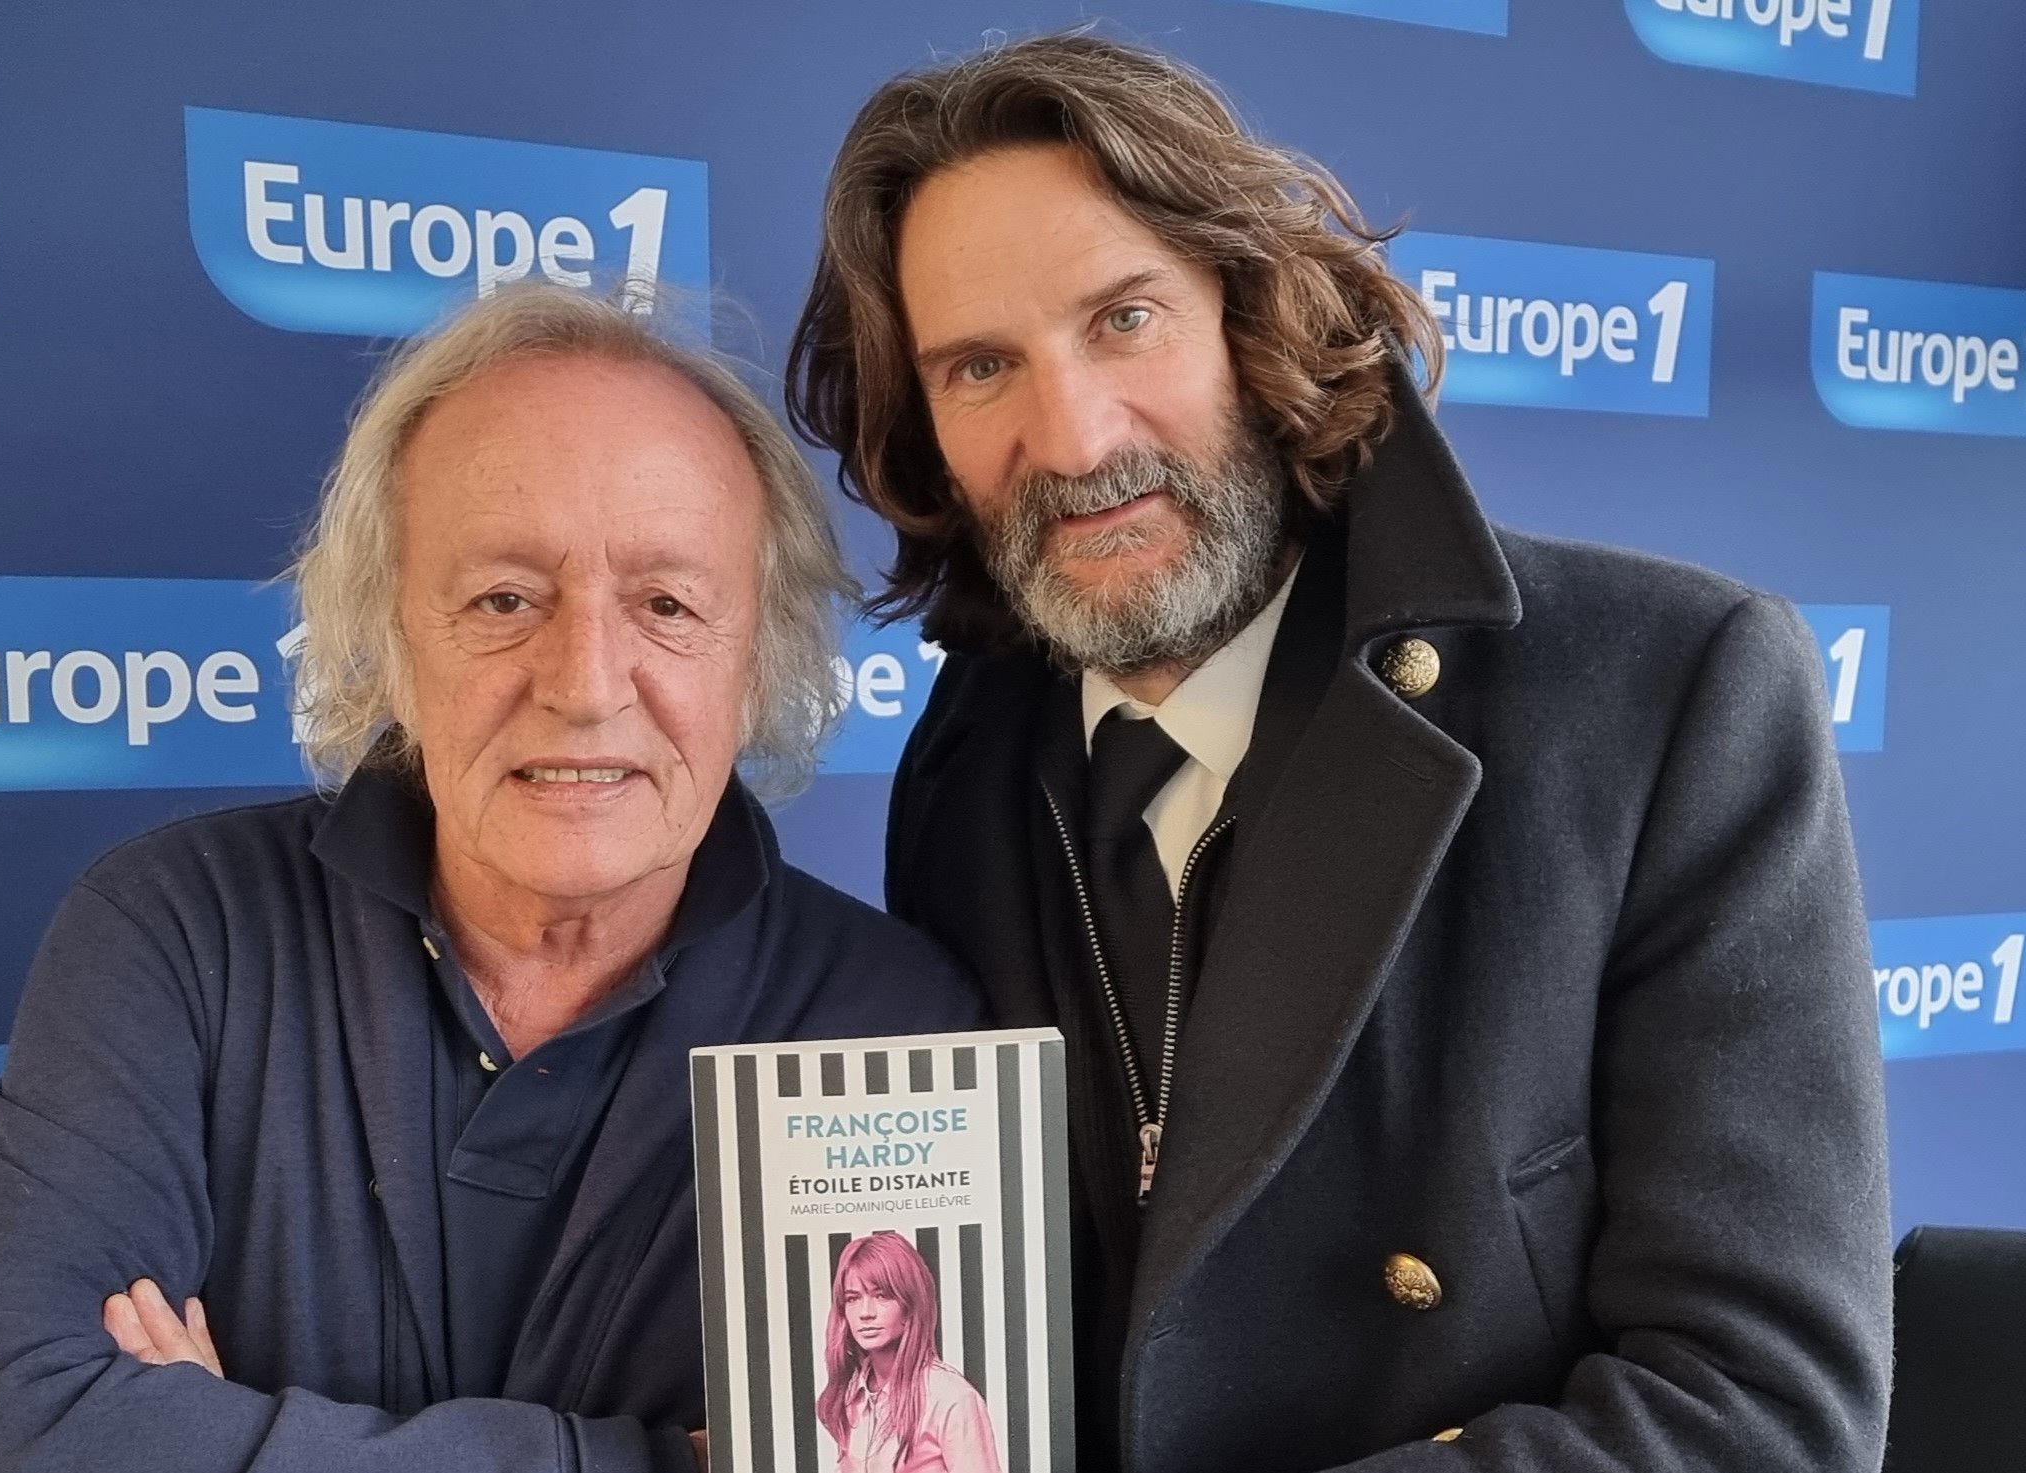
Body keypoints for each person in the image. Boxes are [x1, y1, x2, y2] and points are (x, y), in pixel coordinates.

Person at [785, 32, 1892, 1473]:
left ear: (1249, 316)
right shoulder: (966, 764)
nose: (1072, 437)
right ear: (922, 429)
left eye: (1125, 319)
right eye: (981, 366)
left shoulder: (1674, 692)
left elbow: (1763, 1410)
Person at [0, 283, 983, 1473]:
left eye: (667, 604)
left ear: (757, 659)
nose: (585, 683)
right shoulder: (177, 934)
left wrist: (218, 1435)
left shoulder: (892, 1030)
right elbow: (22, 1441)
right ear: (391, 640)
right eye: (504, 599)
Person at [816, 1232, 1001, 1473]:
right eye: (853, 1299)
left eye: (882, 1296)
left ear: (910, 1305)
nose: (866, 1312)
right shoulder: (852, 1395)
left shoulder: (952, 1397)